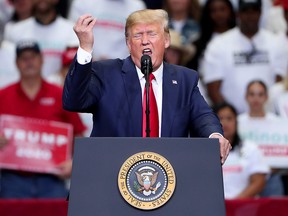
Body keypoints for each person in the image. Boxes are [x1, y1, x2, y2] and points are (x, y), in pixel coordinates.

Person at [62, 9, 231, 164]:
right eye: (137, 36)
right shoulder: (106, 73)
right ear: (128, 43)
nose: (144, 41)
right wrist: (85, 48)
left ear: (166, 40)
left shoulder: (185, 79)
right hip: (112, 176)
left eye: (151, 34)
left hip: (168, 179)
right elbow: (73, 101)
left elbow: (203, 116)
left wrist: (214, 136)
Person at [0, 40, 86, 198]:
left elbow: (79, 135)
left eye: (32, 57)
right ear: (16, 63)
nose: (28, 62)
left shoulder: (60, 94)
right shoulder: (3, 96)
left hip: (52, 180)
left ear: (41, 60)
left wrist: (75, 163)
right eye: (23, 58)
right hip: (12, 180)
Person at [202, 0, 287, 114]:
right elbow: (213, 88)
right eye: (245, 11)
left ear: (261, 13)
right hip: (233, 123)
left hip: (269, 117)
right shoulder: (219, 44)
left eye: (254, 11)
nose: (250, 16)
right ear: (238, 14)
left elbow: (279, 84)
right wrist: (231, 118)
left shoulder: (276, 43)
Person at [3, 0, 78, 77]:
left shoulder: (74, 30)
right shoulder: (14, 31)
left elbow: (77, 70)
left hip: (62, 87)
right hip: (25, 87)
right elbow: (8, 67)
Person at [213, 102, 270, 199]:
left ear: (236, 122)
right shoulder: (204, 152)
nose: (225, 123)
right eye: (220, 118)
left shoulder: (250, 148)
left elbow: (259, 181)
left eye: (229, 118)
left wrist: (235, 204)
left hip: (242, 207)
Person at [238, 80, 285, 197]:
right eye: (252, 94)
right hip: (243, 178)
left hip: (272, 176)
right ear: (246, 96)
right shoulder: (238, 122)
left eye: (260, 94)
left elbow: (283, 152)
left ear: (266, 97)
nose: (256, 99)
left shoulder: (279, 123)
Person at [68, 0, 146, 61]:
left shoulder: (137, 6)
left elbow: (140, 42)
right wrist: (89, 58)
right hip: (88, 64)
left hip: (122, 69)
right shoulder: (83, 2)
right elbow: (73, 36)